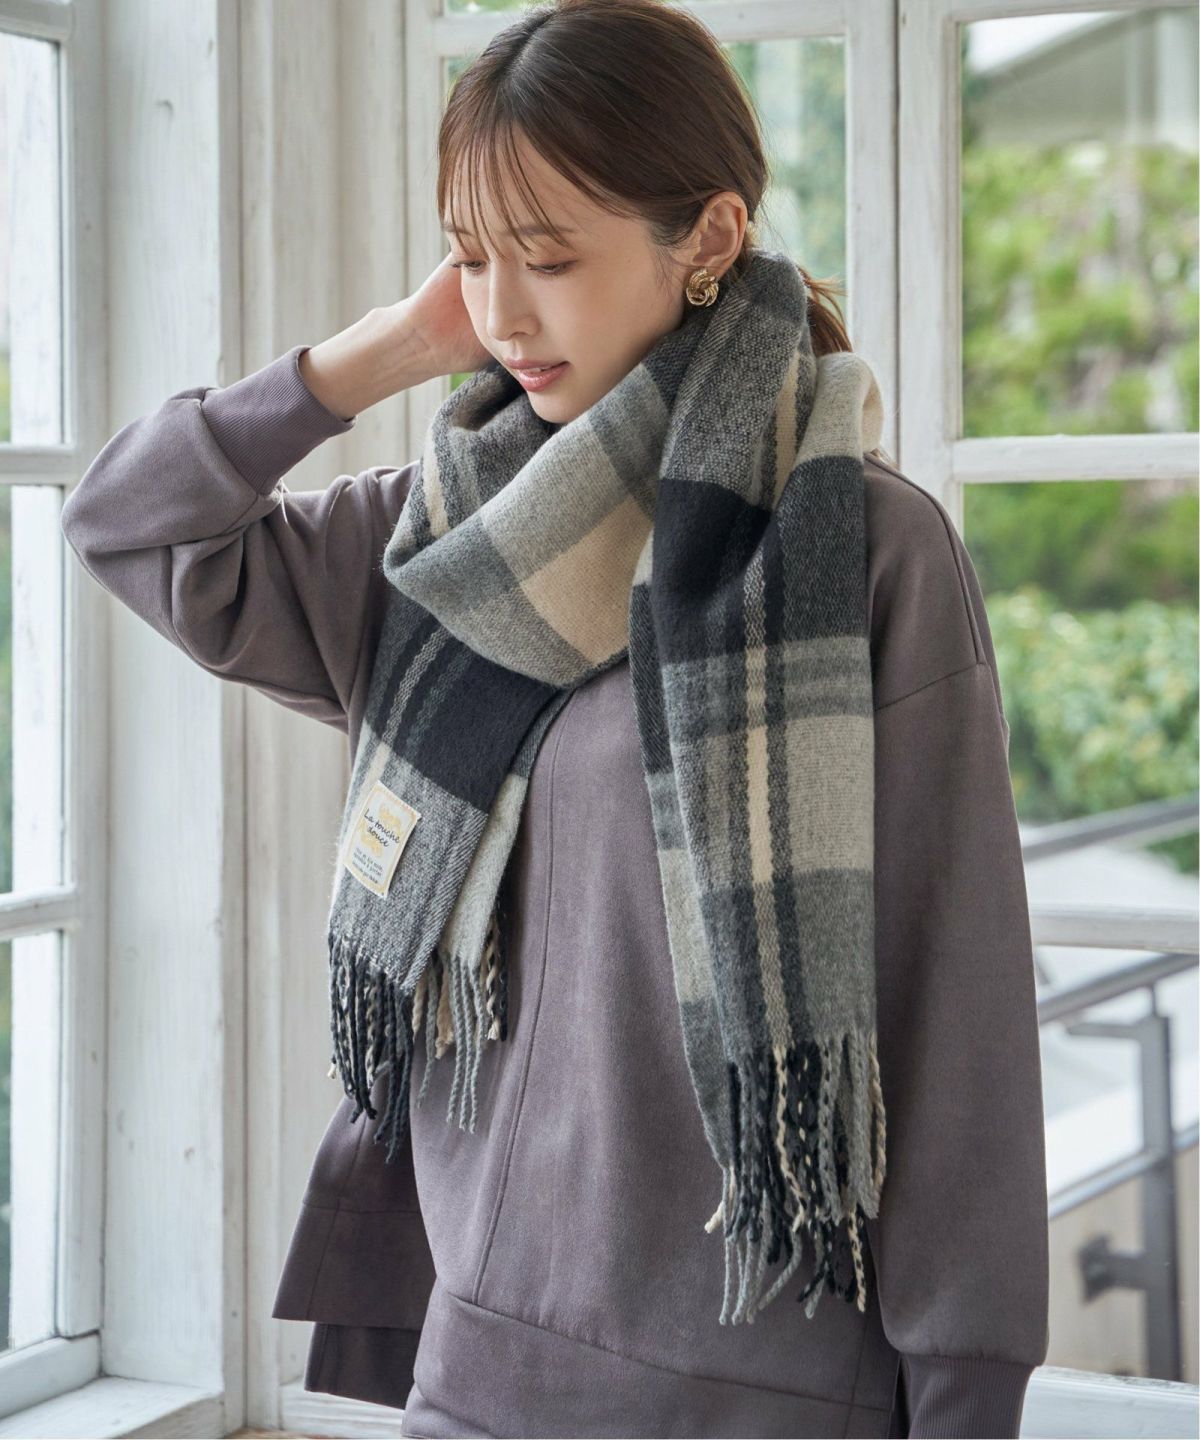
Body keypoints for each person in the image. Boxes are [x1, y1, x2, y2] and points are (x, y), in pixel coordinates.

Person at [60, 0, 1050, 1434]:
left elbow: (956, 1008)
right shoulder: (441, 541)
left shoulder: (866, 553)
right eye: (472, 259)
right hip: (476, 1373)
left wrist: (968, 1393)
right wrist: (382, 351)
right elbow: (128, 524)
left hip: (774, 1398)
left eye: (551, 257)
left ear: (708, 238)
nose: (504, 316)